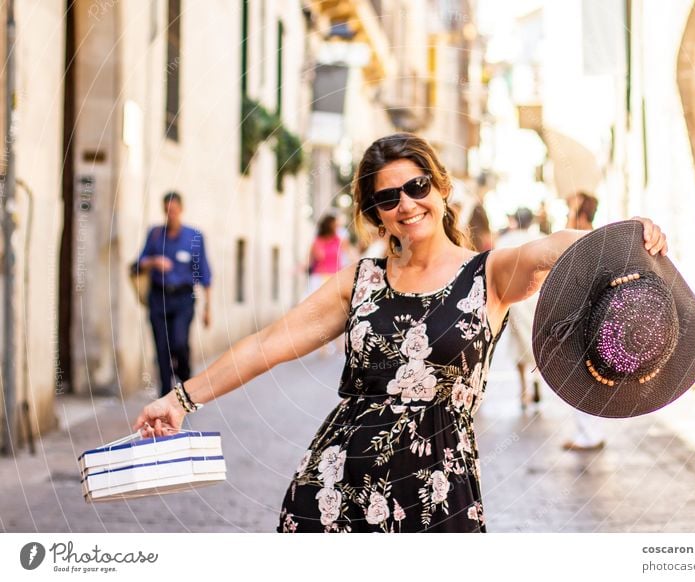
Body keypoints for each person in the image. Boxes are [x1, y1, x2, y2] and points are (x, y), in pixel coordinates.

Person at [133, 133, 667, 532]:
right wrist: (181, 399)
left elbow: (553, 246)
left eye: (417, 187)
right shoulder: (360, 283)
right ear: (376, 216)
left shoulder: (491, 273)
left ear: (440, 188)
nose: (407, 204)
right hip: (335, 488)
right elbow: (267, 345)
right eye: (389, 199)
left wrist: (618, 236)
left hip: (440, 495)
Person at [136, 192, 212, 397]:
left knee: (179, 343)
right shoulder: (154, 234)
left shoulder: (194, 237)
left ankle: (185, 380)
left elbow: (205, 273)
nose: (170, 214)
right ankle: (165, 395)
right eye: (167, 210)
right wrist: (154, 261)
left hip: (183, 299)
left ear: (181, 209)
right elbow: (138, 264)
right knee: (161, 348)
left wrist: (207, 309)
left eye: (174, 210)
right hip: (158, 298)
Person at [561, 190, 607, 452]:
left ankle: (589, 435)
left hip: (585, 320)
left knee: (582, 379)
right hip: (587, 318)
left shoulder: (583, 240)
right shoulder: (595, 238)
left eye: (570, 210)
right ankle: (587, 433)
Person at [495, 207, 544, 409]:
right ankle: (537, 381)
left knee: (519, 344)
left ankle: (524, 389)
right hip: (537, 298)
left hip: (515, 301)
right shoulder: (541, 238)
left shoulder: (505, 241)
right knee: (538, 341)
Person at [307, 214, 351, 295]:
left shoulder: (340, 240)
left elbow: (349, 255)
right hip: (319, 278)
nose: (338, 227)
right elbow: (313, 259)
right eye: (335, 225)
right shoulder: (317, 241)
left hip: (335, 277)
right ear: (329, 226)